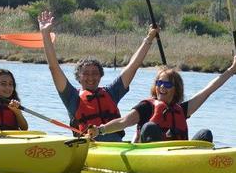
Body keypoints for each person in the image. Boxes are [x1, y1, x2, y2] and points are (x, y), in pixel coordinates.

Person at [38, 9, 159, 141]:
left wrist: (149, 37)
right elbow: (54, 68)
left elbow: (133, 66)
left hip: (116, 147)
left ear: (101, 76)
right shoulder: (71, 97)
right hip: (91, 148)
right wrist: (45, 34)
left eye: (95, 73)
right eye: (86, 74)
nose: (91, 77)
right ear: (79, 77)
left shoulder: (111, 93)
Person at [88, 54, 236, 143]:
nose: (162, 87)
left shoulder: (181, 109)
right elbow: (123, 122)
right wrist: (100, 130)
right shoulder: (146, 106)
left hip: (177, 156)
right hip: (149, 156)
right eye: (159, 83)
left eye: (167, 84)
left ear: (176, 89)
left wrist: (233, 69)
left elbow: (210, 89)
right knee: (150, 128)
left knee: (205, 134)